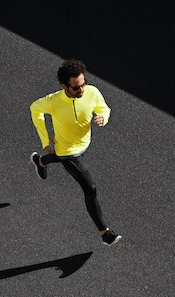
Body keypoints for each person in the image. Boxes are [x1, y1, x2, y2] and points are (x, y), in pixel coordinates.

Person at [29, 59, 121, 246]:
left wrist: (103, 117)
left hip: (84, 143)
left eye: (83, 84)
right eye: (76, 87)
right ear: (64, 86)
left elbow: (103, 107)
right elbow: (35, 109)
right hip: (68, 151)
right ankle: (105, 233)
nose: (82, 89)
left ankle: (41, 162)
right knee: (90, 188)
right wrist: (45, 140)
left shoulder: (91, 92)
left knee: (61, 158)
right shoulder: (53, 101)